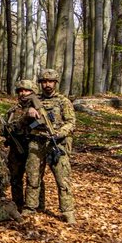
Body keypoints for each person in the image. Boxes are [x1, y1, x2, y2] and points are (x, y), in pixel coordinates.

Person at [23, 68, 77, 223]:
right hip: (37, 142)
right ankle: (31, 207)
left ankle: (67, 211)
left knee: (62, 179)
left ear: (55, 83)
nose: (47, 84)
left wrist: (59, 133)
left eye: (50, 82)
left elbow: (71, 123)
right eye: (44, 82)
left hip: (57, 144)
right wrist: (29, 112)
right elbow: (23, 122)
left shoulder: (63, 101)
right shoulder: (33, 101)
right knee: (33, 176)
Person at [4, 80, 36, 210]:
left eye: (26, 90)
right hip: (15, 148)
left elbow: (41, 125)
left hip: (32, 147)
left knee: (34, 178)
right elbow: (5, 129)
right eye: (20, 91)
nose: (23, 93)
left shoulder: (38, 108)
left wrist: (29, 122)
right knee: (15, 178)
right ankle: (17, 204)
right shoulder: (12, 111)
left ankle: (35, 205)